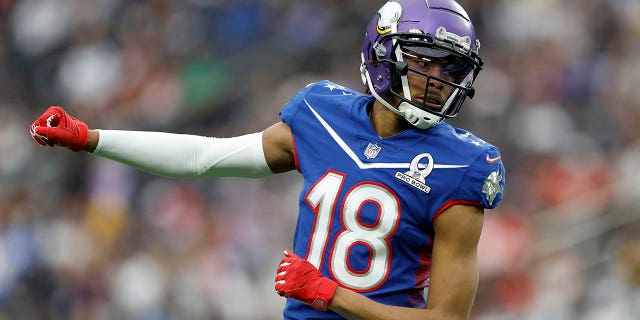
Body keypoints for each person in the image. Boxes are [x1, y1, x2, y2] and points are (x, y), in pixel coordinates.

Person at [29, 0, 505, 319]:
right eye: (425, 61)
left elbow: (445, 319)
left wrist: (330, 294)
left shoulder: (462, 165)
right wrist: (91, 137)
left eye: (451, 68)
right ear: (383, 54)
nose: (439, 79)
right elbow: (203, 157)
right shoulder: (323, 113)